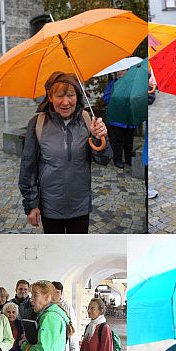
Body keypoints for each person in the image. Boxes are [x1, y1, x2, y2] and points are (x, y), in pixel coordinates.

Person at [19, 71, 110, 234]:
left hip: (80, 206)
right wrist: (31, 205)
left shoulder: (87, 120)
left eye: (70, 95)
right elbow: (28, 168)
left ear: (78, 95)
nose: (66, 102)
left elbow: (103, 159)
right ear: (50, 97)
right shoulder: (38, 123)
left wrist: (99, 138)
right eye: (59, 96)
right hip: (50, 207)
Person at [103, 71, 137, 168]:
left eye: (124, 70)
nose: (121, 73)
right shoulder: (113, 84)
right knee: (117, 140)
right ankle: (117, 159)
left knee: (129, 140)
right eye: (120, 71)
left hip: (129, 118)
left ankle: (128, 158)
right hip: (117, 118)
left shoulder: (132, 84)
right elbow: (106, 98)